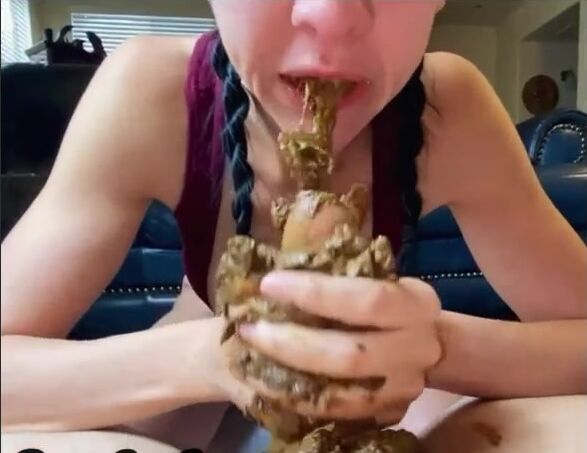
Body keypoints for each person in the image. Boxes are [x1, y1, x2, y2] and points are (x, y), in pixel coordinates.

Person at [2, 1, 586, 452]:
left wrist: (431, 347)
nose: (330, 15)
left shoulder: (446, 108)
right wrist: (213, 355)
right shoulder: (151, 91)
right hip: (185, 402)